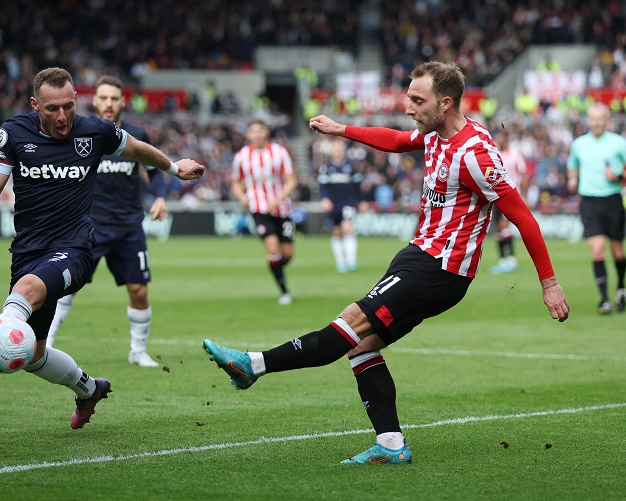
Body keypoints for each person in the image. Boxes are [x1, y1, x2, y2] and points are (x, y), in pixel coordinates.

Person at [203, 61, 570, 464]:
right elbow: (396, 141)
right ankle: (391, 445)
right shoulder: (434, 134)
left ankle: (253, 365)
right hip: (420, 255)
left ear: (445, 103)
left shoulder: (476, 153)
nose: (408, 106)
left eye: (417, 99)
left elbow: (522, 216)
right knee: (363, 346)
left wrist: (549, 282)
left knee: (350, 324)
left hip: (439, 268)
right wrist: (342, 129)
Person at [0, 67, 204, 430]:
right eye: (53, 109)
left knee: (26, 291)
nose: (63, 116)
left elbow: (136, 148)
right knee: (35, 354)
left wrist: (174, 168)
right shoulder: (13, 133)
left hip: (76, 248)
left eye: (69, 107)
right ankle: (89, 390)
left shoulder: (94, 131)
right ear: (35, 104)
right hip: (28, 251)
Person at [45, 75, 167, 368]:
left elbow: (155, 169)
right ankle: (45, 342)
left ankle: (137, 351)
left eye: (114, 98)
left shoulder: (137, 133)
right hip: (89, 226)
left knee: (139, 290)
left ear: (123, 101)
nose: (109, 103)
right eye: (104, 98)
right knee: (68, 285)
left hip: (128, 227)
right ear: (95, 101)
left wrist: (161, 196)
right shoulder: (81, 133)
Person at [567, 104, 626, 315]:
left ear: (607, 121)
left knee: (617, 251)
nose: (596, 122)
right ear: (588, 121)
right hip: (589, 204)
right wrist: (573, 178)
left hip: (613, 202)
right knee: (597, 249)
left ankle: (621, 287)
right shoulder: (579, 144)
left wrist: (620, 176)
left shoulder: (619, 143)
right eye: (592, 119)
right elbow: (572, 163)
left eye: (600, 119)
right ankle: (605, 299)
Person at [231, 119, 298, 305]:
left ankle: (275, 267)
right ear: (248, 134)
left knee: (288, 253)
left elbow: (291, 180)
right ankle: (284, 291)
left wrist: (277, 200)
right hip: (258, 209)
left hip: (282, 209)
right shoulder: (242, 156)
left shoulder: (279, 152)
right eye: (253, 131)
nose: (257, 134)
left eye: (260, 130)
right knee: (273, 248)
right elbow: (235, 181)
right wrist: (242, 197)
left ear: (266, 132)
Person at [317, 137, 362, 273]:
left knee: (347, 227)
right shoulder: (326, 168)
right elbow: (323, 187)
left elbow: (357, 186)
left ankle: (351, 260)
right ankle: (340, 262)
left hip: (347, 202)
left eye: (340, 148)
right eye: (335, 148)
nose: (338, 150)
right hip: (333, 204)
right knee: (336, 232)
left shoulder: (351, 166)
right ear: (332, 150)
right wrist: (324, 199)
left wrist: (360, 201)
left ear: (344, 150)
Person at [489, 129, 530, 274]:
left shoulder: (515, 154)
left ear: (505, 138)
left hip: (511, 196)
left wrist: (524, 197)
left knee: (503, 225)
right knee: (499, 230)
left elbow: (524, 175)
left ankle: (511, 260)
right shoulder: (494, 154)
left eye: (499, 137)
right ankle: (503, 260)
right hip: (496, 197)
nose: (497, 140)